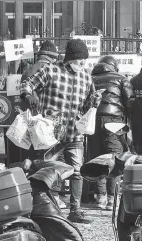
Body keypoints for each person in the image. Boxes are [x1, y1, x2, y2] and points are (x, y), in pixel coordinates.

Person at [21, 39, 101, 224]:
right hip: (51, 132)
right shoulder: (51, 70)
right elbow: (27, 84)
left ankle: (76, 209)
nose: (84, 64)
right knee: (49, 169)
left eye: (85, 61)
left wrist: (94, 101)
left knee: (77, 170)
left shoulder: (86, 77)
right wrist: (28, 95)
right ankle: (46, 209)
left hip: (75, 132)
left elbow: (87, 105)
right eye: (81, 60)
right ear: (71, 58)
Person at [88, 55, 134, 210]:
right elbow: (130, 103)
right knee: (115, 157)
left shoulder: (89, 78)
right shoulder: (121, 79)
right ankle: (112, 198)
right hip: (114, 121)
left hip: (93, 121)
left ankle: (100, 197)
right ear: (114, 66)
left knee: (97, 157)